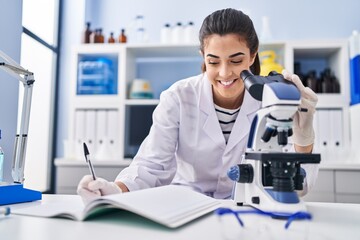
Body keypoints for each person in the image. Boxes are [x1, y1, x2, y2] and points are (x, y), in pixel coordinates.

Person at [77, 8, 319, 203]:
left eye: (236, 60)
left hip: (247, 208)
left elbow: (299, 187)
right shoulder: (178, 97)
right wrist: (114, 190)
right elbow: (151, 166)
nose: (225, 73)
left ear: (253, 55)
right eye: (213, 62)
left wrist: (304, 136)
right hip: (185, 207)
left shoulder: (272, 101)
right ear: (203, 57)